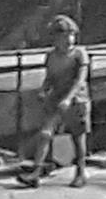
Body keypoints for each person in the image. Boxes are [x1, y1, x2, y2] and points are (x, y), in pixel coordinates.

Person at [17, 15, 91, 188]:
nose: (68, 40)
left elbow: (80, 80)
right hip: (56, 98)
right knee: (45, 134)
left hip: (76, 100)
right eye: (63, 36)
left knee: (78, 137)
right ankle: (36, 171)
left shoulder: (79, 54)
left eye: (70, 35)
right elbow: (50, 78)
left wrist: (69, 98)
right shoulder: (51, 56)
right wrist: (43, 89)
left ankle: (81, 172)